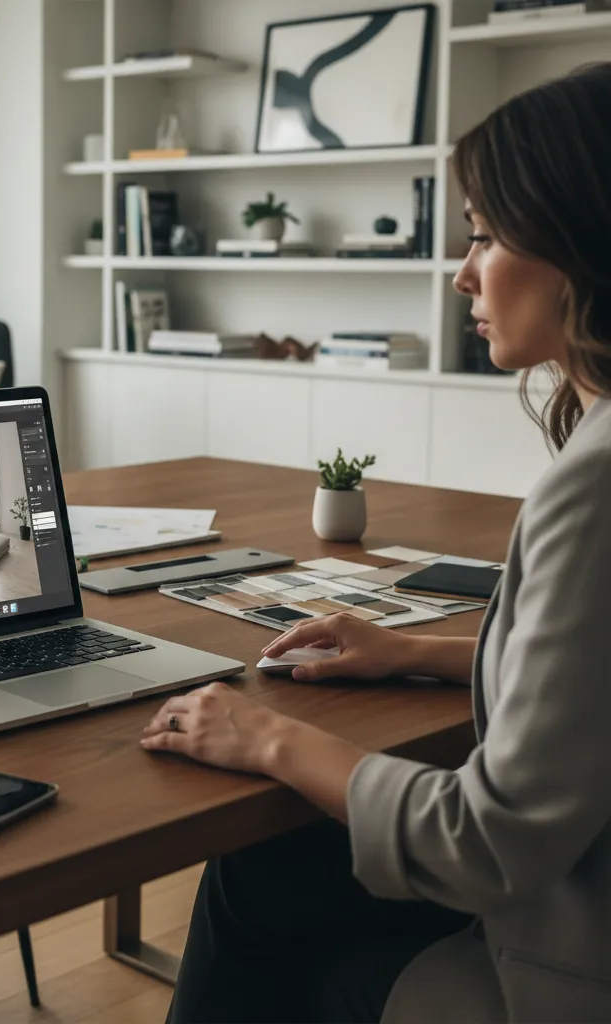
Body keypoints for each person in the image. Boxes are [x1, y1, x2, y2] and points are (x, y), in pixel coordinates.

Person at [141, 62, 611, 1024]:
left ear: (582, 241)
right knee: (263, 873)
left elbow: (487, 845)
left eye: (485, 235)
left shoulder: (596, 485)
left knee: (258, 886)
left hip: (564, 958)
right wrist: (419, 651)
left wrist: (268, 736)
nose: (463, 273)